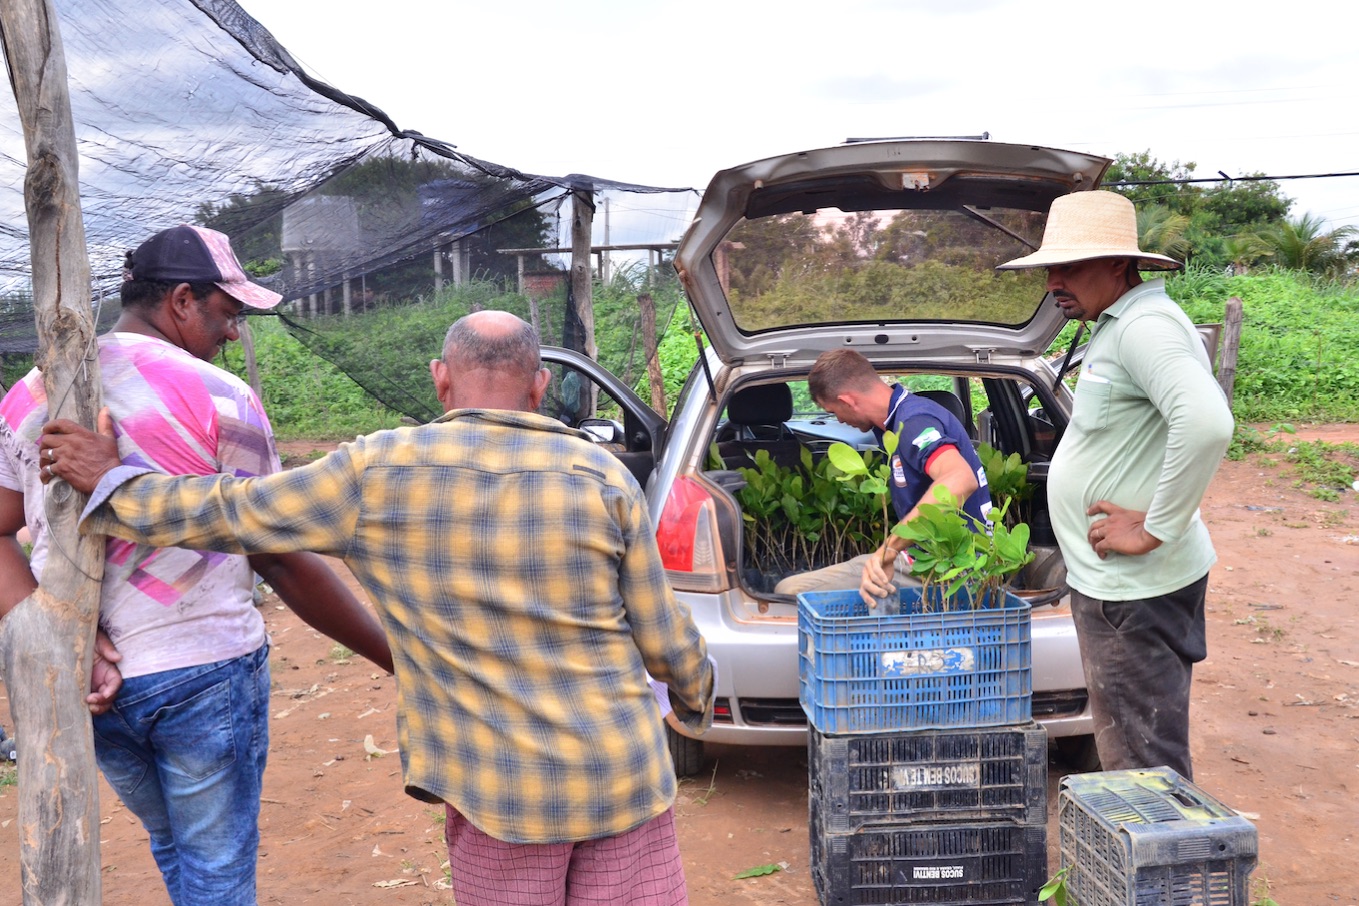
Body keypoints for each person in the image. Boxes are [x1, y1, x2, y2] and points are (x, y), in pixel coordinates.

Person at [42, 310, 715, 906]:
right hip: (623, 774)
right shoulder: (602, 476)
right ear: (539, 387)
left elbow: (232, 512)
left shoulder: (378, 471)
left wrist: (113, 485)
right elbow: (663, 636)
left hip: (497, 791)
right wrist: (694, 700)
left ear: (440, 380)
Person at [0, 223, 392, 906]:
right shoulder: (219, 397)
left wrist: (52, 626)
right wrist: (394, 656)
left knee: (173, 847)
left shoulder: (29, 397)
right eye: (227, 311)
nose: (232, 332)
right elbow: (279, 557)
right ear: (182, 300)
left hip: (91, 677)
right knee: (217, 871)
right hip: (203, 670)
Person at [996, 190, 1234, 778]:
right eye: (1050, 268)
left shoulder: (1143, 327)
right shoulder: (1121, 323)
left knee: (1142, 765)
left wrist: (1154, 528)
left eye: (1069, 266)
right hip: (1124, 590)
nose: (1053, 282)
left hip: (1132, 590)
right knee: (1138, 748)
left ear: (1119, 263)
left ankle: (1158, 839)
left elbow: (1207, 421)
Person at [774, 348, 993, 606]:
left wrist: (889, 550)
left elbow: (960, 479)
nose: (839, 420)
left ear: (847, 401)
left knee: (789, 591)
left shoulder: (914, 422)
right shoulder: (896, 421)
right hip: (928, 558)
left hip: (953, 568)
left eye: (833, 412)